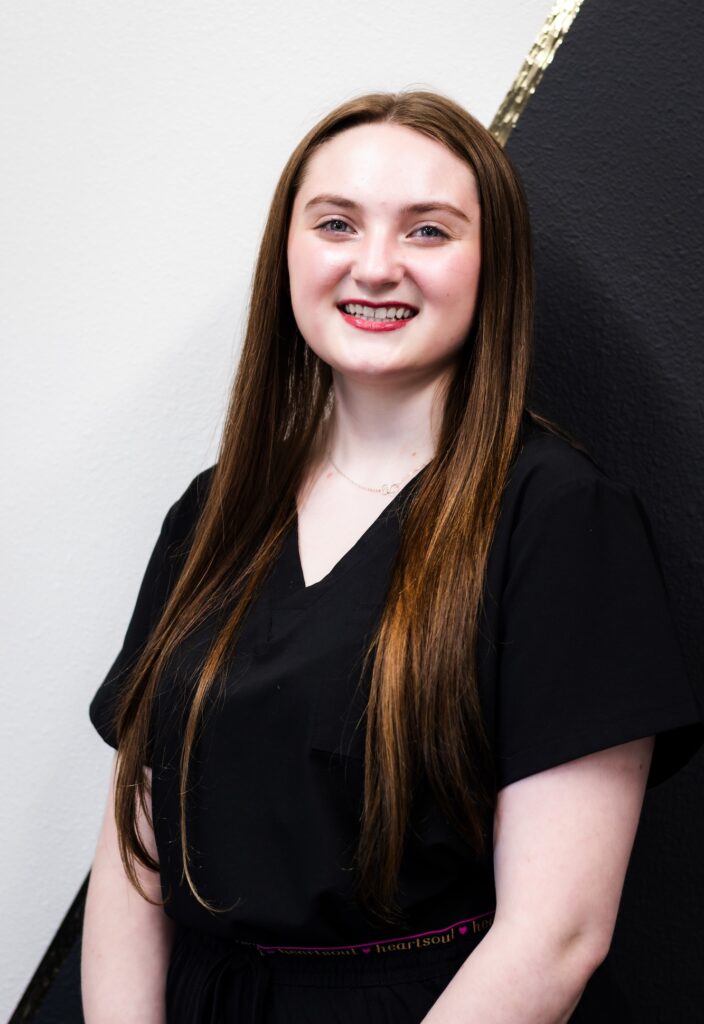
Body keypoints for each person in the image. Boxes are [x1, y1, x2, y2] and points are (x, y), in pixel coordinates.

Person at [81, 89, 703, 1023]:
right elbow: (134, 851)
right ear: (288, 253)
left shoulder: (560, 519)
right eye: (337, 223)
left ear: (492, 266)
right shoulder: (212, 513)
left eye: (429, 231)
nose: (375, 267)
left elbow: (558, 936)